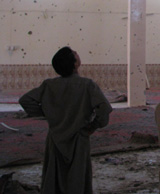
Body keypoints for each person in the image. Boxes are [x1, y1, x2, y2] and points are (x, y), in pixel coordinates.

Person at [19, 46, 112, 194]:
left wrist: (47, 114)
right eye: (75, 53)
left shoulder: (49, 85)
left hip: (55, 137)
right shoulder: (87, 85)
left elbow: (25, 100)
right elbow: (104, 109)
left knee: (55, 173)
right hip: (79, 138)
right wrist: (93, 126)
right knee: (78, 176)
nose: (78, 53)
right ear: (75, 63)